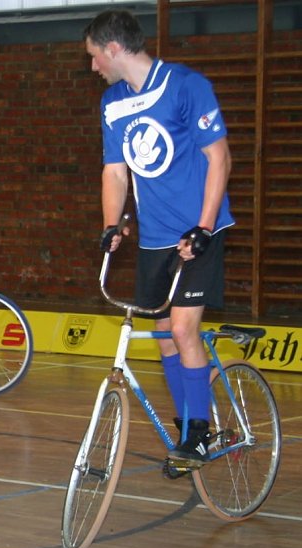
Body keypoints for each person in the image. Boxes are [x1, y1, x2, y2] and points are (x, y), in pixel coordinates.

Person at [84, 10, 233, 467]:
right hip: (154, 238)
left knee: (185, 328)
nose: (93, 67)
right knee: (166, 335)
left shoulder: (187, 86)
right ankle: (188, 423)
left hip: (197, 232)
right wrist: (113, 224)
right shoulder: (113, 102)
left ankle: (201, 433)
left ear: (112, 49)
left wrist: (205, 227)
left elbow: (219, 159)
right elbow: (115, 171)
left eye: (93, 57)